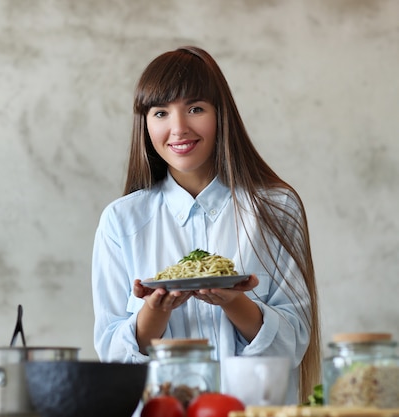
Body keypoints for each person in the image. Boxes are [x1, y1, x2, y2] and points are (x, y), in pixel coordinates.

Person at [91, 45, 320, 405]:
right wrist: (154, 311)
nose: (178, 128)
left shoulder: (276, 209)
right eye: (161, 112)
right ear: (145, 122)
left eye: (195, 109)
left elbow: (294, 343)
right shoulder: (121, 221)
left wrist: (234, 301)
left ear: (221, 115)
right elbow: (113, 357)